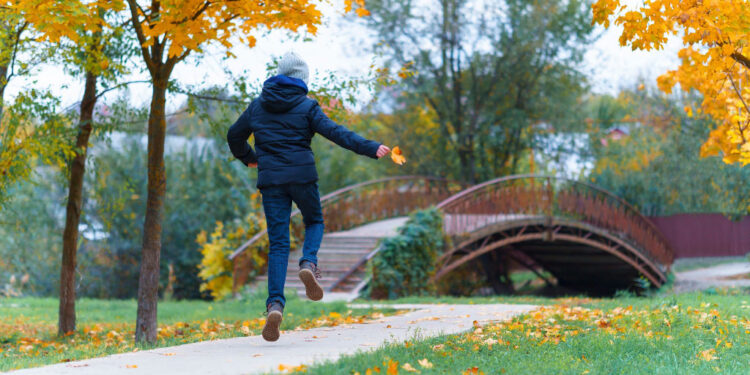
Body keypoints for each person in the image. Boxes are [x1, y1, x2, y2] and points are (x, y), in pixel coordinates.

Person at [226, 52, 391, 342]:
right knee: (314, 221)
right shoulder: (307, 106)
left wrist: (250, 158)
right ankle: (307, 263)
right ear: (302, 79)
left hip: (271, 181)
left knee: (278, 243)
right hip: (302, 177)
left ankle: (275, 305)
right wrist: (371, 147)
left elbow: (233, 136)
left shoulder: (257, 107)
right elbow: (337, 133)